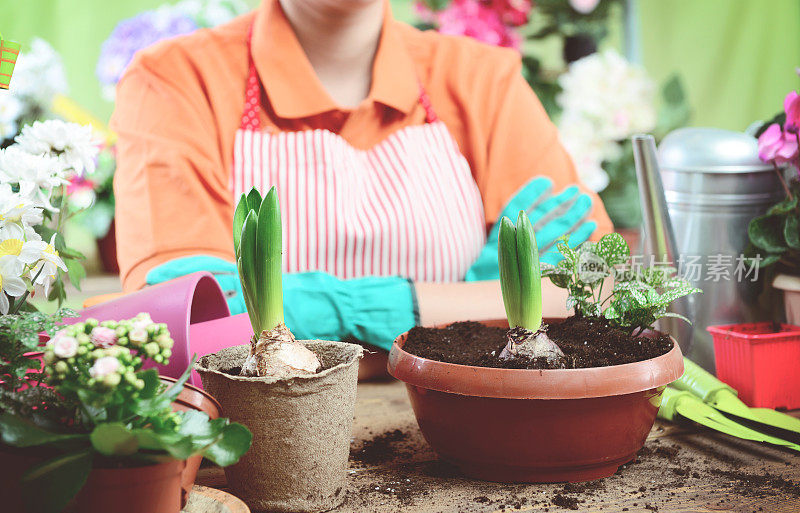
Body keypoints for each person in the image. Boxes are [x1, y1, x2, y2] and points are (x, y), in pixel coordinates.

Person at [111, 0, 613, 355]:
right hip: (265, 441)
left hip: (460, 432)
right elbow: (186, 315)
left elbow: (599, 288)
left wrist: (301, 312)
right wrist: (465, 311)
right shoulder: (176, 82)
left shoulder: (481, 81)